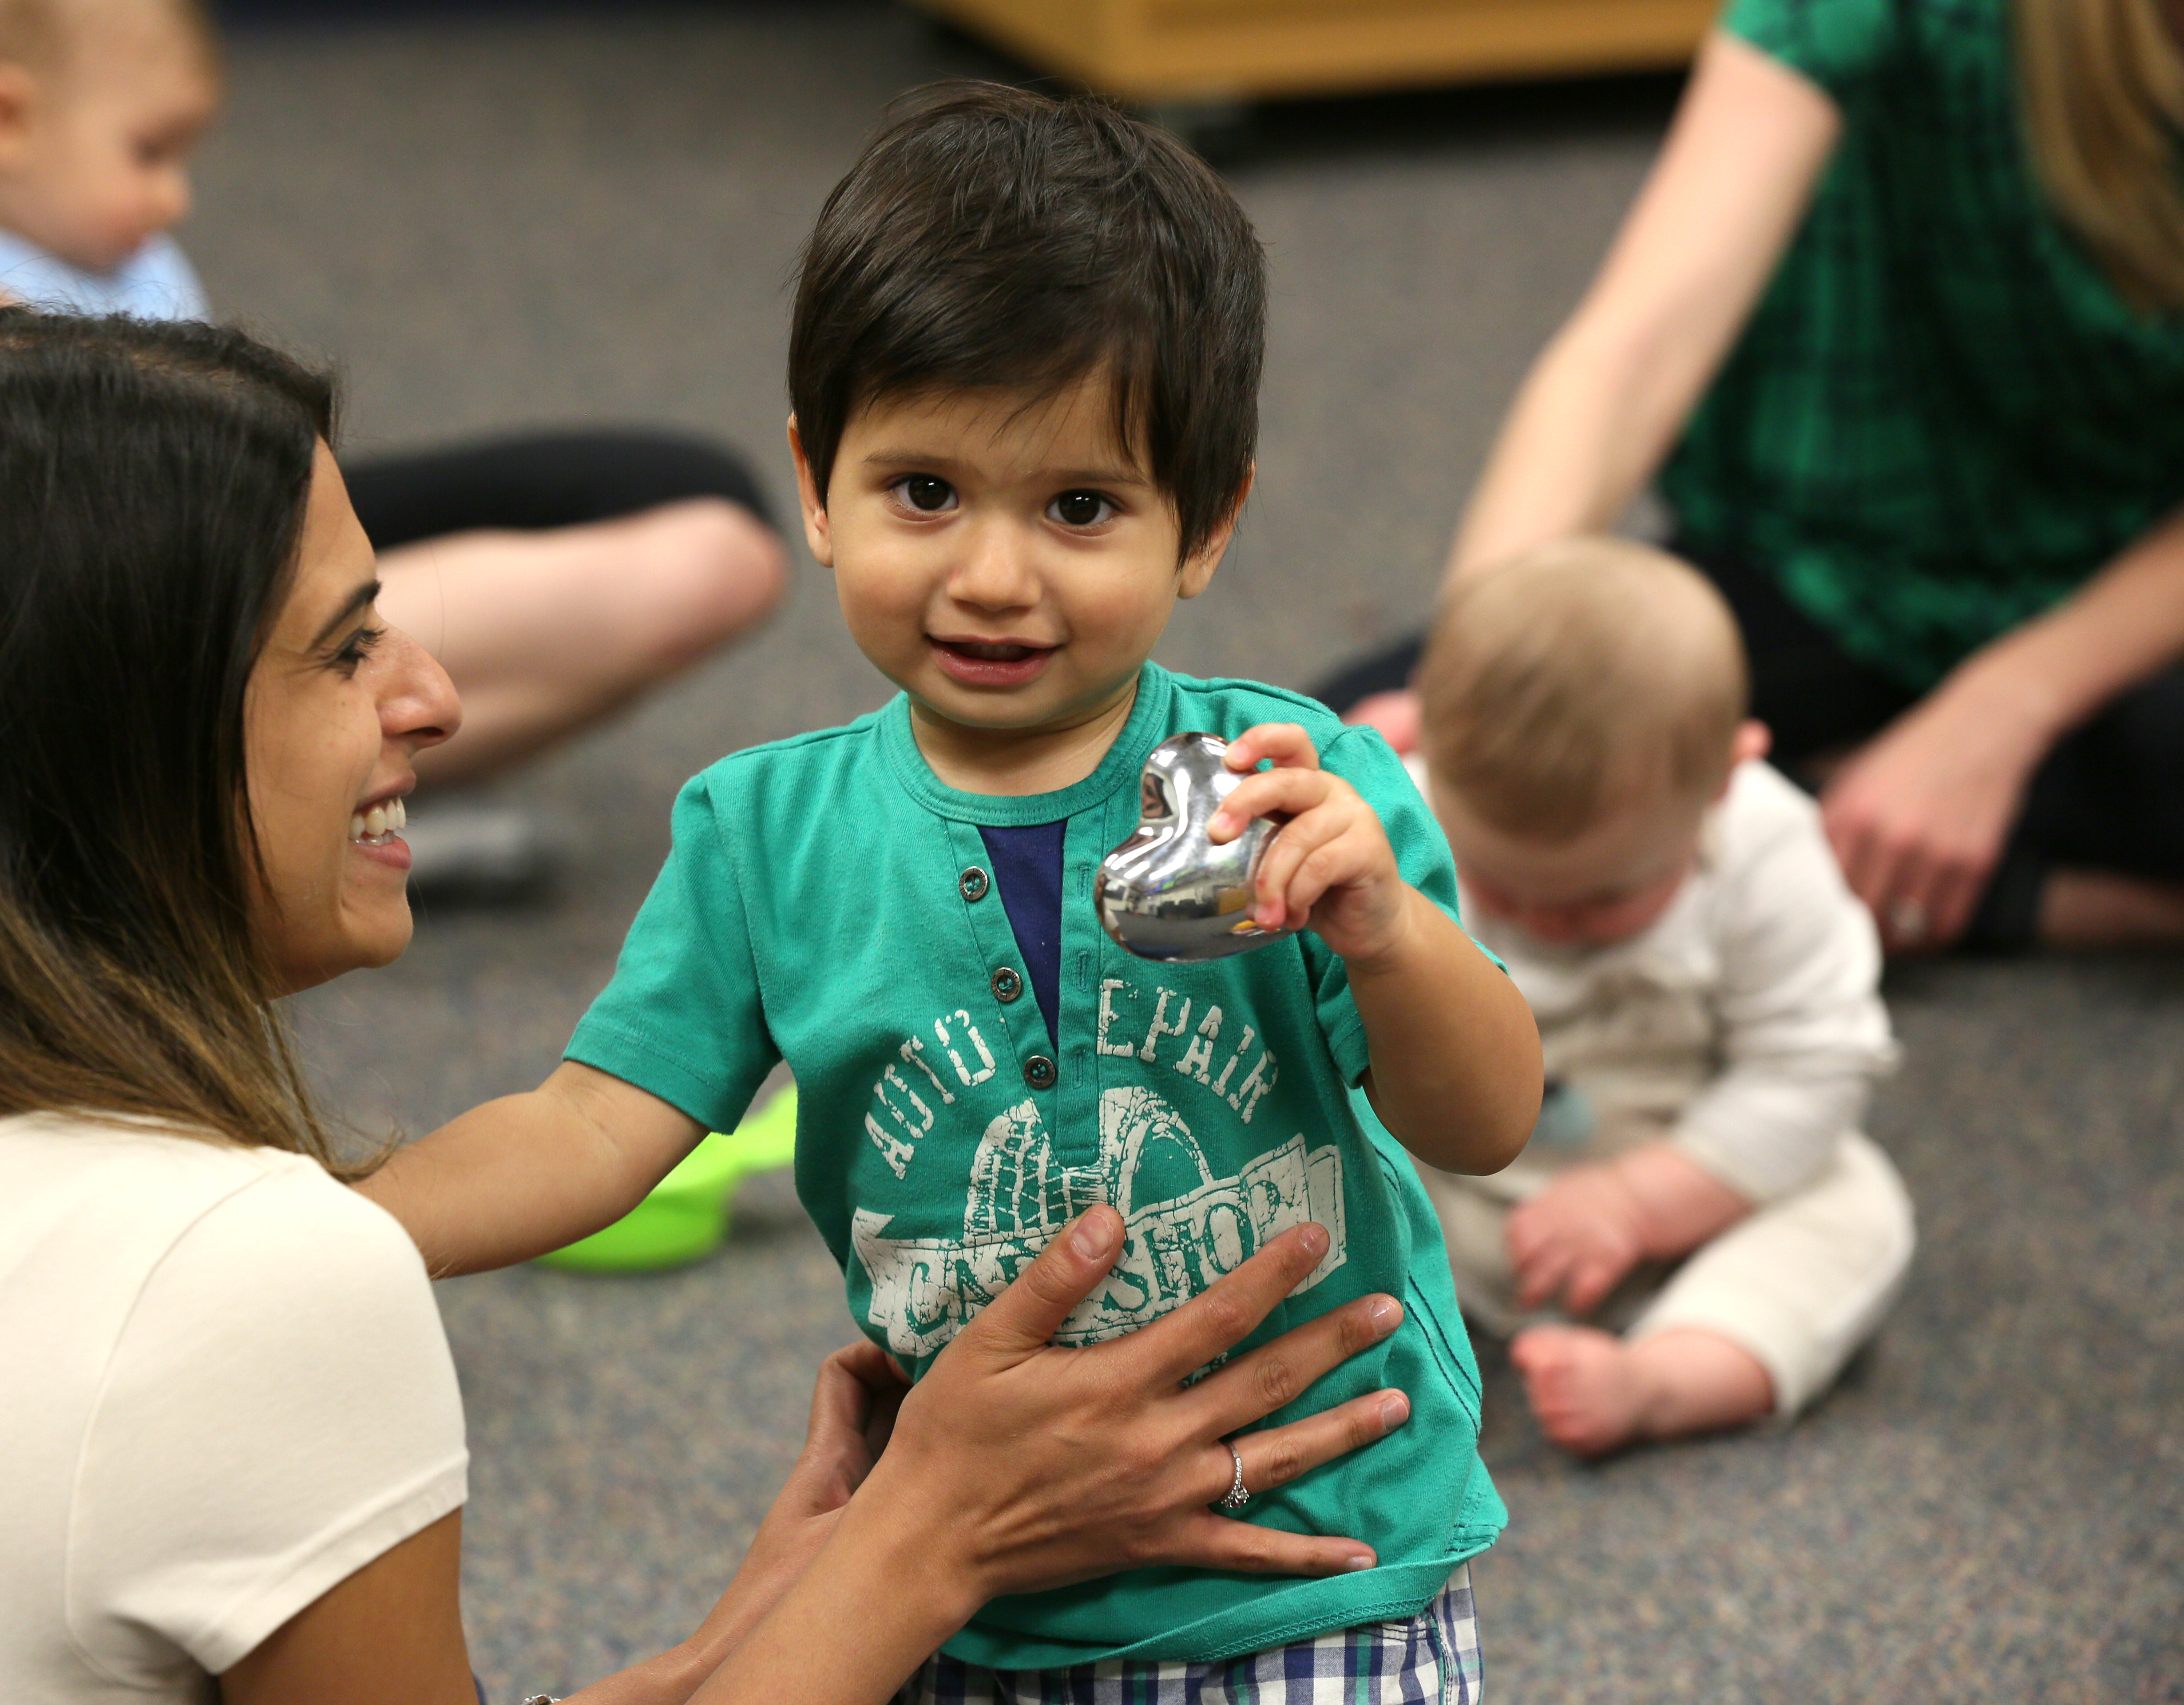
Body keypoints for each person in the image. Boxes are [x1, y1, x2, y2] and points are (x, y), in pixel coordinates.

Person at [0, 303, 1423, 1705]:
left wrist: (722, 1659)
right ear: (111, 756)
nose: (435, 697)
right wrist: (934, 1531)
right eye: (347, 647)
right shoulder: (235, 1282)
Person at [361, 85, 1542, 1699]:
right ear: (816, 483)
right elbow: (585, 1132)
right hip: (966, 1592)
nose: (993, 578)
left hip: (1319, 1567)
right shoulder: (764, 833)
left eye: (1080, 508)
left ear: (1207, 525)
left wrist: (1391, 940)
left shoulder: (1293, 779)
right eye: (925, 491)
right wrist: (315, 1234)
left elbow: (1487, 1121)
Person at [0, 0, 785, 798]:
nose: (176, 196)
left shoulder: (113, 254)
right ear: (4, 119)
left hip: (235, 541)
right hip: (112, 622)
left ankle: (305, 797)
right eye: (150, 152)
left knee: (712, 525)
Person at [1318, 0, 2184, 956]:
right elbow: (1634, 351)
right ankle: (1926, 864)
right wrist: (1467, 685)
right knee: (1334, 769)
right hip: (1843, 557)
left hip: (2128, 600)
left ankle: (1880, 856)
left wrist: (2003, 710)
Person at [1403, 537, 1914, 1456]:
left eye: (1599, 902)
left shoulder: (1767, 852)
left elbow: (1813, 1068)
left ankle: (1664, 1378)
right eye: (1500, 887)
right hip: (1439, 1186)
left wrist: (1639, 1204)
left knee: (1857, 1209)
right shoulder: (1406, 813)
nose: (1543, 923)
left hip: (1686, 1200)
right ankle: (1377, 1336)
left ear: (1725, 780)